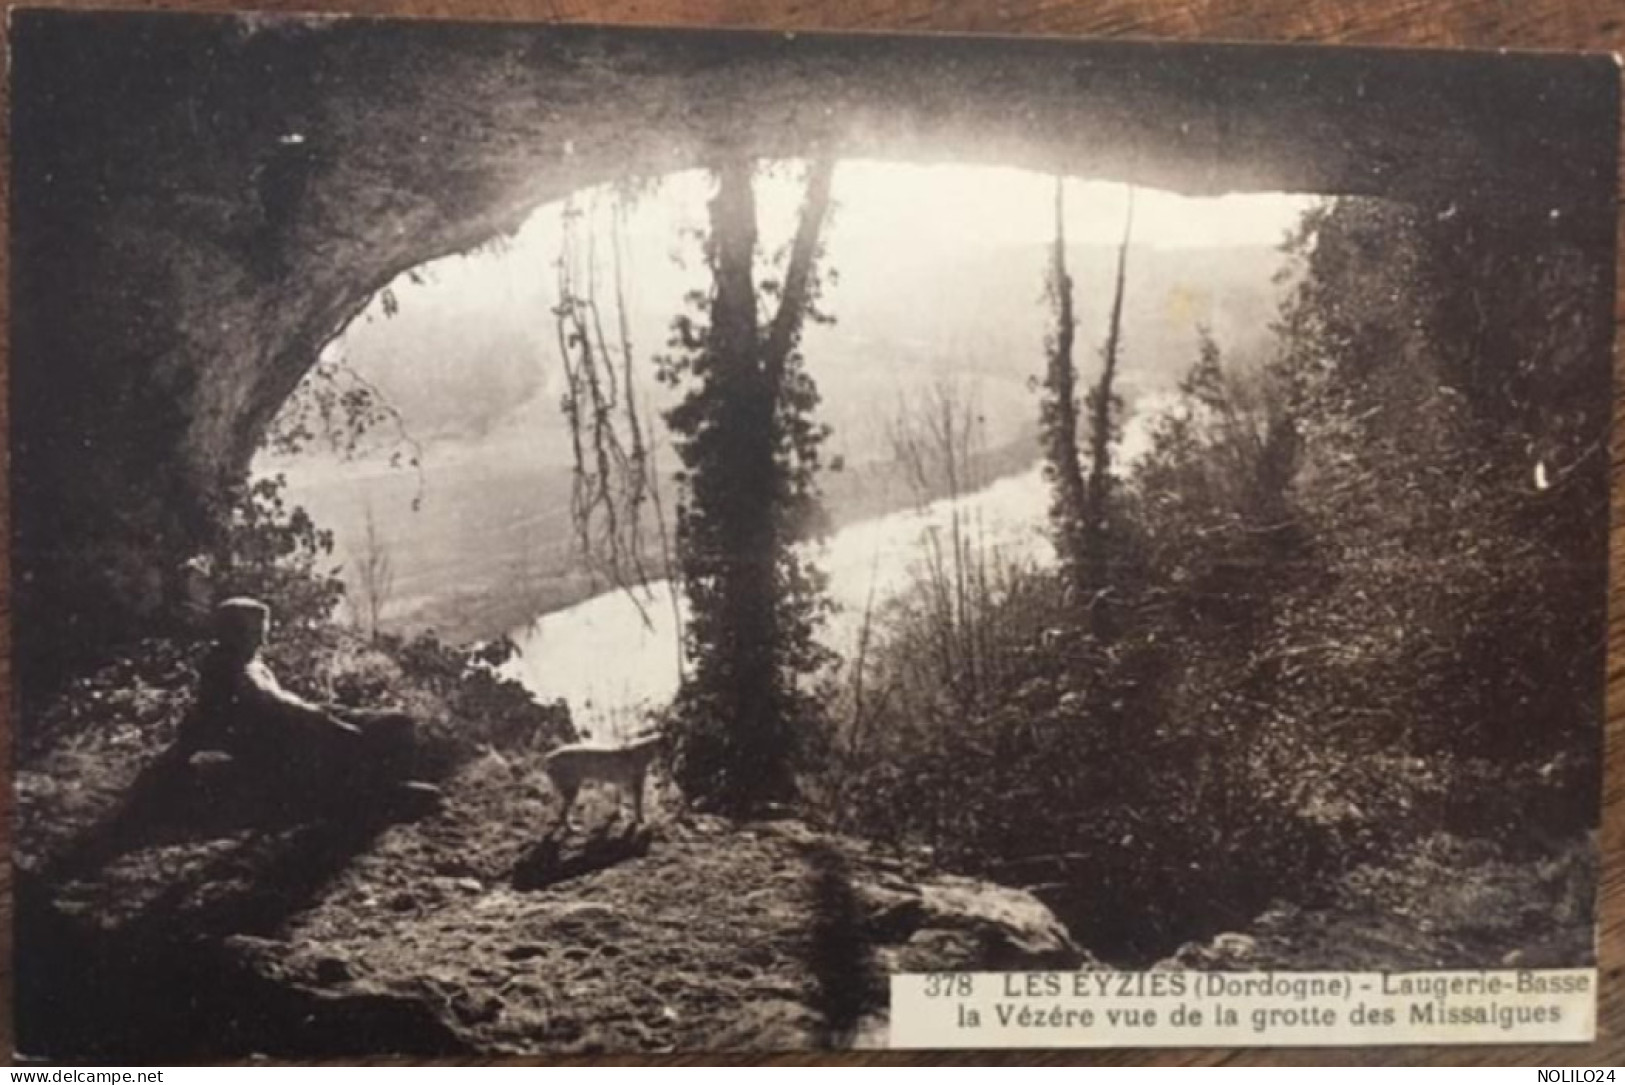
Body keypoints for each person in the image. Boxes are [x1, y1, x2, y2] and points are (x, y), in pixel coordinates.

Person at [176, 597, 437, 815]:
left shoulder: (244, 661)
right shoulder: (229, 667)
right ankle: (378, 795)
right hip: (275, 740)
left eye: (262, 633)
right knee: (359, 735)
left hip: (289, 724)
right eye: (255, 634)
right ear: (232, 634)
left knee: (395, 723)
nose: (262, 642)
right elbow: (275, 704)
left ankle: (389, 786)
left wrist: (323, 712)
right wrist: (327, 720)